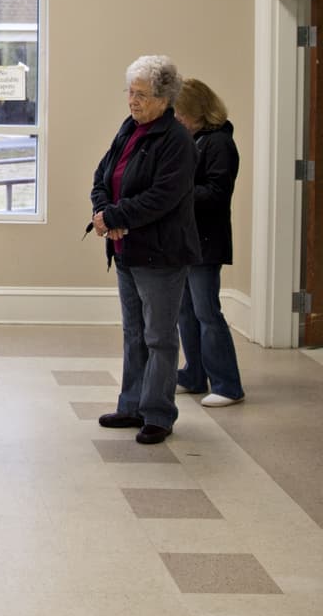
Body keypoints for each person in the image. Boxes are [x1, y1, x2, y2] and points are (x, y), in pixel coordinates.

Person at [91, 55, 200, 444]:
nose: (132, 101)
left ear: (164, 97)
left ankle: (158, 413)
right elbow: (103, 174)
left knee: (159, 337)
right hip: (127, 250)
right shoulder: (129, 129)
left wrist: (115, 216)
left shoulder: (178, 142)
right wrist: (104, 211)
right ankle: (131, 405)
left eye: (141, 94)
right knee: (133, 332)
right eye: (130, 92)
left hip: (161, 255)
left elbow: (162, 198)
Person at [173, 78, 245, 407]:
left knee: (206, 312)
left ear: (199, 112)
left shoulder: (218, 144)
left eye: (181, 114)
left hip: (206, 240)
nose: (178, 120)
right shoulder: (194, 141)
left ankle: (227, 384)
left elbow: (217, 193)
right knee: (185, 312)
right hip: (188, 240)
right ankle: (194, 374)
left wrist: (178, 192)